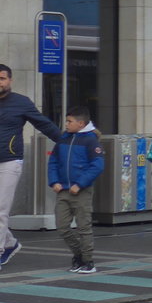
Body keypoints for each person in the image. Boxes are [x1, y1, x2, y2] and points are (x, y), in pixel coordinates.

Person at [0, 64, 62, 271]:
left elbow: (44, 125)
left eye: (2, 78)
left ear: (10, 80)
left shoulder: (21, 102)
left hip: (9, 161)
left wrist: (68, 143)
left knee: (0, 210)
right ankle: (10, 243)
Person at [48, 106, 104, 273]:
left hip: (81, 191)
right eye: (66, 121)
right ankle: (79, 255)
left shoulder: (91, 141)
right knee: (62, 226)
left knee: (83, 227)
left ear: (81, 123)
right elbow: (53, 162)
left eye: (69, 121)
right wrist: (54, 181)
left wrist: (80, 184)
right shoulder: (63, 139)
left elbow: (98, 165)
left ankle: (88, 261)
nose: (66, 124)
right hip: (63, 190)